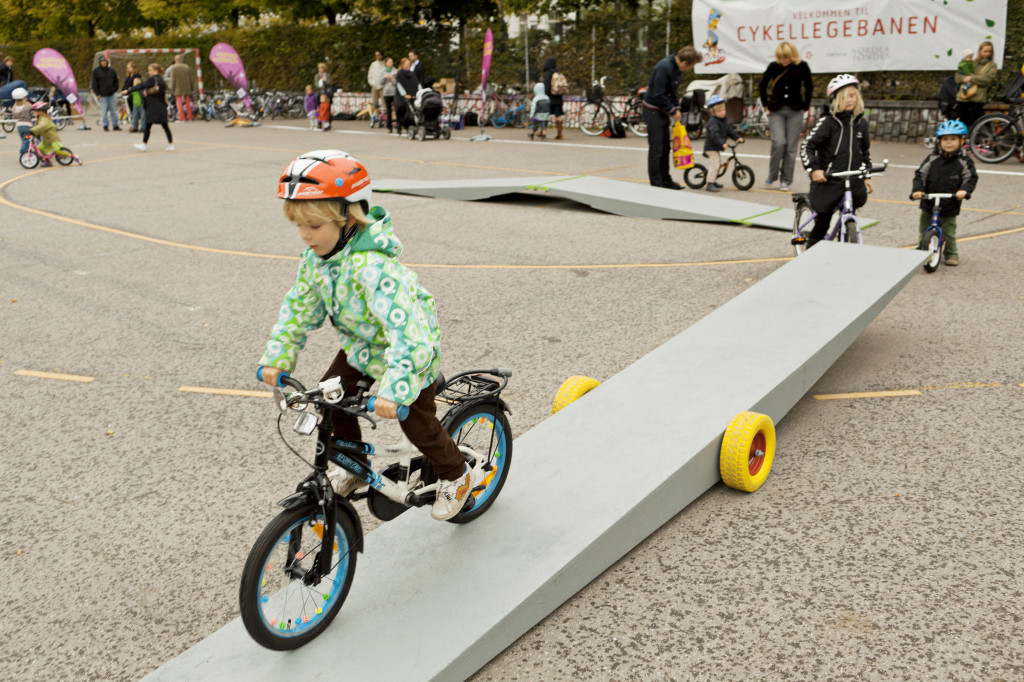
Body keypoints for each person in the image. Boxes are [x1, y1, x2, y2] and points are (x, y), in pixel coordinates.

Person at [258, 150, 477, 521]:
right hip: (364, 346)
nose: (305, 235)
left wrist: (396, 389)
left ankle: (456, 475)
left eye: (313, 225)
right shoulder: (316, 262)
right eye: (299, 225)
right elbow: (298, 309)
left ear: (348, 216)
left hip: (410, 349)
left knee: (415, 419)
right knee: (331, 394)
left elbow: (409, 333)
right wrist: (277, 358)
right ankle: (353, 465)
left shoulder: (373, 267)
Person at [799, 74, 873, 247]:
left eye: (852, 95)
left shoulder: (861, 124)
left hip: (852, 180)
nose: (849, 100)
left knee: (849, 212)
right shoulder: (828, 122)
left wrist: (867, 175)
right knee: (823, 221)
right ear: (835, 100)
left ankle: (845, 242)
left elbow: (864, 153)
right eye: (844, 96)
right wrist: (814, 169)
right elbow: (806, 146)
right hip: (828, 180)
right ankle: (810, 254)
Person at [910, 120, 978, 267]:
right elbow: (920, 175)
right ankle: (921, 247)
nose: (948, 143)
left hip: (950, 203)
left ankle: (951, 253)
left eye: (953, 139)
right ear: (939, 141)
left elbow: (971, 177)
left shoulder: (964, 161)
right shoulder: (932, 159)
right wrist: (917, 190)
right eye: (945, 139)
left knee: (949, 231)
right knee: (924, 228)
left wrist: (964, 190)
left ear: (961, 141)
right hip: (929, 201)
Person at [642, 46, 700, 189]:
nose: (690, 69)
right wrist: (672, 110)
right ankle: (656, 184)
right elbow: (658, 94)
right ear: (685, 62)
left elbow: (672, 92)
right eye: (691, 66)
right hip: (653, 111)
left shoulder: (675, 68)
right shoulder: (664, 68)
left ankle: (666, 181)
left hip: (662, 111)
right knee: (656, 149)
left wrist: (677, 108)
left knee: (665, 147)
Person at [759, 42, 813, 191]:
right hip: (776, 110)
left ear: (792, 55)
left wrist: (805, 106)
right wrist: (766, 105)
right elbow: (762, 85)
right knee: (779, 142)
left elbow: (809, 87)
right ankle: (772, 174)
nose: (783, 61)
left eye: (786, 58)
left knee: (791, 147)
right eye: (781, 58)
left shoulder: (802, 66)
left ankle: (786, 180)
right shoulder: (773, 67)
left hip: (795, 111)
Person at [123, 63, 173, 152]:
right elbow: (160, 94)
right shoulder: (161, 80)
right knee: (164, 125)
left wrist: (129, 90)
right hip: (161, 106)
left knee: (148, 124)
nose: (149, 72)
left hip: (153, 106)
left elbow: (141, 86)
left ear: (156, 71)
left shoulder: (152, 79)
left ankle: (144, 144)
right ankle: (170, 144)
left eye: (150, 70)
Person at [702, 94, 743, 192]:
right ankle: (710, 184)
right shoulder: (713, 122)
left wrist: (737, 138)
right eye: (719, 111)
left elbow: (730, 130)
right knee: (715, 164)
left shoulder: (723, 121)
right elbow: (714, 135)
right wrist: (722, 143)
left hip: (716, 147)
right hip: (710, 148)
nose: (722, 112)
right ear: (712, 112)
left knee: (718, 163)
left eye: (723, 110)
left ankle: (713, 179)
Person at [956, 41, 999, 128]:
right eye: (985, 51)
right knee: (962, 123)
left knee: (976, 123)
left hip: (978, 98)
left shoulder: (992, 65)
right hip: (963, 97)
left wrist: (971, 78)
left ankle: (975, 140)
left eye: (989, 51)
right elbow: (958, 77)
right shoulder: (970, 62)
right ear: (980, 51)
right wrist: (964, 79)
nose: (987, 53)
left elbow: (987, 79)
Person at [28, 101, 74, 165]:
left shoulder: (43, 119)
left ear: (39, 111)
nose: (34, 113)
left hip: (53, 138)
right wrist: (36, 134)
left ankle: (72, 156)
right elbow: (41, 128)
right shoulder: (41, 118)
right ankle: (47, 161)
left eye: (35, 111)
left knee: (58, 151)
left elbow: (42, 126)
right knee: (40, 147)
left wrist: (32, 130)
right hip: (48, 138)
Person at [91, 56, 120, 131]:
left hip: (111, 95)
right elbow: (94, 84)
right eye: (102, 61)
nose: (103, 62)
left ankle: (115, 125)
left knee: (113, 111)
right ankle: (105, 125)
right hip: (102, 95)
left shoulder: (111, 71)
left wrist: (114, 89)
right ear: (100, 62)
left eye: (105, 61)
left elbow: (116, 81)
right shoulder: (96, 71)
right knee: (104, 112)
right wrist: (97, 94)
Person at [394, 57, 420, 136]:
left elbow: (417, 83)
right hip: (401, 97)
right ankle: (399, 126)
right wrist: (404, 94)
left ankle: (410, 125)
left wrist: (420, 91)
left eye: (409, 64)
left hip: (411, 96)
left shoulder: (412, 73)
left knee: (412, 110)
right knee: (402, 110)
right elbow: (398, 85)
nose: (409, 65)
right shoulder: (399, 74)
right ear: (403, 65)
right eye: (407, 64)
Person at [166, 54, 195, 122]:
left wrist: (172, 88)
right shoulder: (186, 67)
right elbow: (191, 79)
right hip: (187, 88)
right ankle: (190, 117)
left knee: (179, 103)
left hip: (177, 88)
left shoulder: (174, 68)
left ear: (175, 60)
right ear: (181, 59)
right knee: (188, 102)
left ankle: (182, 118)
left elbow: (173, 79)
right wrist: (192, 88)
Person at [542, 57, 565, 140]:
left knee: (545, 115)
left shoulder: (548, 73)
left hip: (550, 98)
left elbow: (547, 86)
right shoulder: (558, 72)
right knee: (558, 115)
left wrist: (545, 96)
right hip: (558, 98)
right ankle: (560, 134)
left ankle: (542, 133)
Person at [11, 87, 33, 156]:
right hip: (27, 127)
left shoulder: (14, 108)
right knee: (27, 140)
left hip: (19, 127)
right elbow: (32, 114)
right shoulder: (27, 106)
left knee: (25, 140)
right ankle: (22, 152)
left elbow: (14, 116)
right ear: (24, 98)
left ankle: (28, 151)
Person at [124, 62, 145, 133]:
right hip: (133, 103)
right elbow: (126, 85)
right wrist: (124, 91)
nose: (128, 69)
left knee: (143, 116)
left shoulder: (137, 76)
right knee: (134, 115)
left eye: (130, 67)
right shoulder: (129, 75)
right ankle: (135, 127)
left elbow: (140, 87)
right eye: (128, 68)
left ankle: (143, 127)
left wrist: (129, 90)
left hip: (141, 104)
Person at [380, 57, 397, 134]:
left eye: (392, 62)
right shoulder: (383, 71)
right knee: (388, 110)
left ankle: (398, 124)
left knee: (397, 108)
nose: (391, 63)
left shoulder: (395, 70)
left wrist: (392, 79)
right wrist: (385, 77)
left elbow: (397, 81)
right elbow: (380, 82)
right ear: (386, 63)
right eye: (389, 62)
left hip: (394, 92)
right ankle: (389, 126)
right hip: (387, 93)